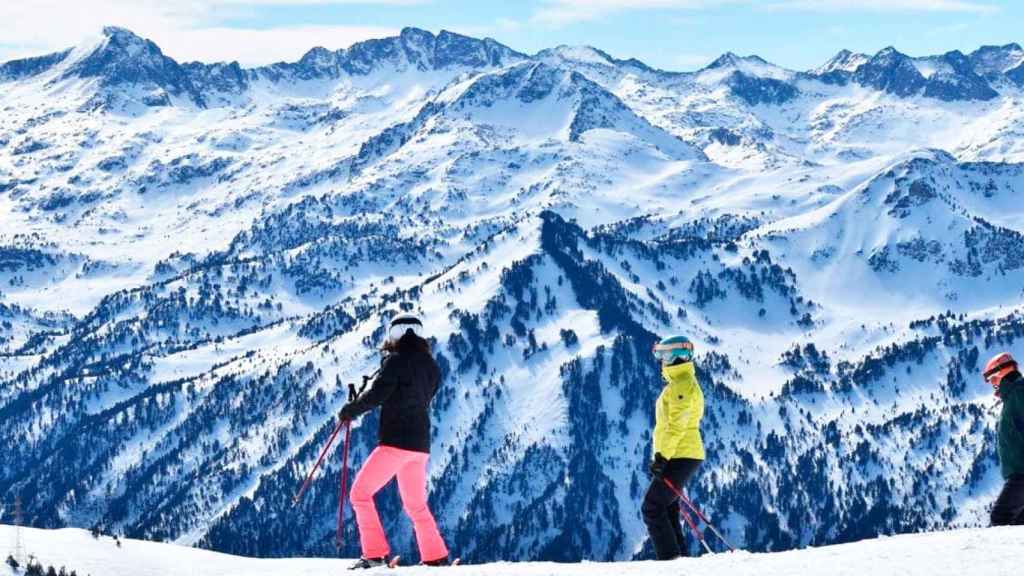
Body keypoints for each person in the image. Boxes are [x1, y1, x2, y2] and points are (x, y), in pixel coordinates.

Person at [337, 313, 450, 569]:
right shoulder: (432, 366)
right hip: (420, 445)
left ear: (393, 335)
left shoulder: (395, 362)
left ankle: (374, 555)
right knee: (415, 505)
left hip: (395, 442)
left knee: (360, 493)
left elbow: (378, 395)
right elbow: (423, 396)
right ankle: (435, 558)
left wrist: (350, 410)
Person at [642, 335, 705, 560]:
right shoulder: (681, 383)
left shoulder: (682, 385)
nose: (661, 360)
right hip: (680, 453)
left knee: (652, 507)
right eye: (659, 354)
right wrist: (662, 456)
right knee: (667, 508)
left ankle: (670, 564)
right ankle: (680, 564)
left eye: (664, 354)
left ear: (678, 356)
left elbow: (676, 426)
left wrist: (662, 457)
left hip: (681, 454)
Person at [985, 352, 1024, 526]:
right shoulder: (1014, 395)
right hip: (1019, 473)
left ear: (1003, 372)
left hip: (1022, 474)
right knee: (1017, 522)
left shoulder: (1018, 394)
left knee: (1001, 517)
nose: (993, 385)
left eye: (993, 379)